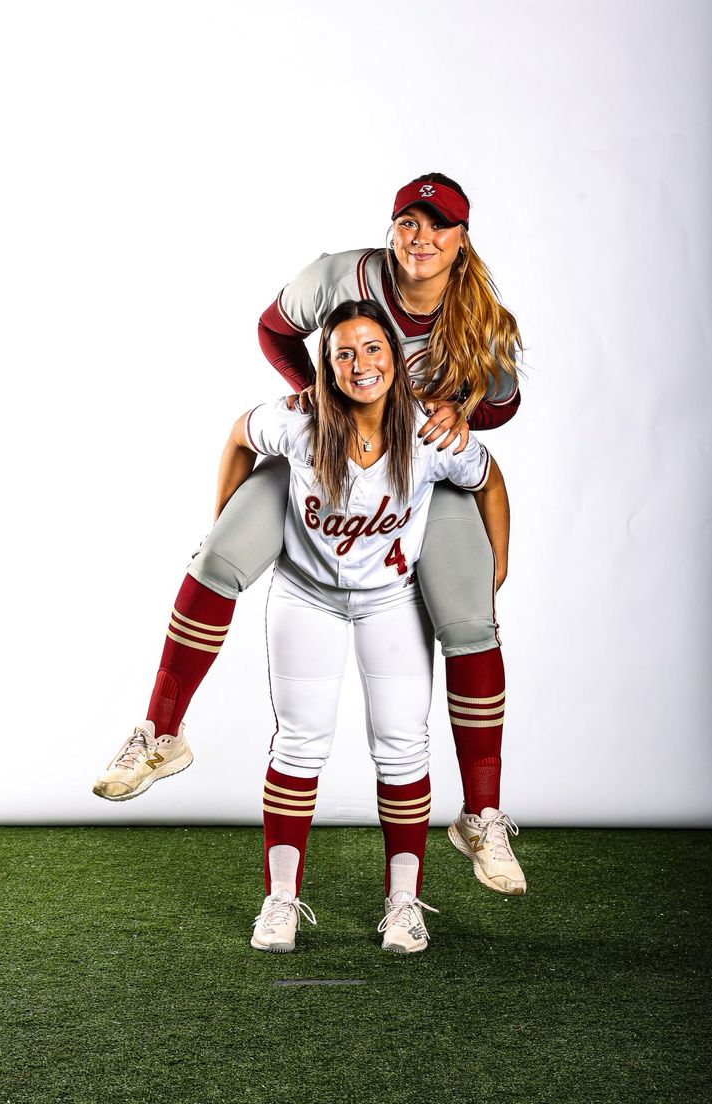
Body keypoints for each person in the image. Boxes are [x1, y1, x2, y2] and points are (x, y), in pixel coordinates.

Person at [93, 172, 526, 898]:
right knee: (218, 556)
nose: (421, 239)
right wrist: (318, 391)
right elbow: (271, 330)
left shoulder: (479, 315)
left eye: (439, 226)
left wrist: (455, 409)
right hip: (328, 448)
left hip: (415, 464)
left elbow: (503, 411)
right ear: (392, 228)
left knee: (472, 618)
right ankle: (162, 732)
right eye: (408, 223)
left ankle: (482, 814)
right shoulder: (342, 277)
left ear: (462, 240)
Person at [219, 300, 508, 952]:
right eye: (344, 352)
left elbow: (490, 482)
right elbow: (238, 435)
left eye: (373, 349)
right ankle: (280, 901)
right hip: (307, 595)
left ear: (396, 360)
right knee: (298, 744)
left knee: (403, 746)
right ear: (326, 364)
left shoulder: (430, 433)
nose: (360, 363)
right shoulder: (300, 422)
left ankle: (404, 905)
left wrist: (496, 568)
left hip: (392, 600)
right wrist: (223, 526)